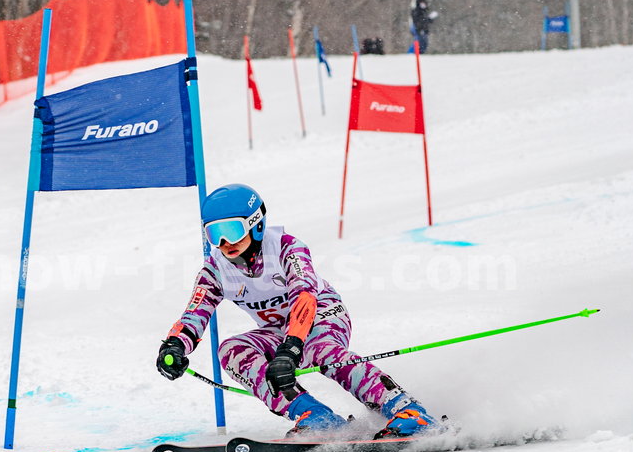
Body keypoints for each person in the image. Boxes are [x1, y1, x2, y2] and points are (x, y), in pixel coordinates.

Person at [155, 183, 438, 438]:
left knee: (320, 350)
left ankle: (409, 411)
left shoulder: (286, 248)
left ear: (255, 223)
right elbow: (197, 310)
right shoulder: (215, 268)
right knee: (231, 349)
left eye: (232, 230)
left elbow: (304, 297)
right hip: (278, 332)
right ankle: (314, 416)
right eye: (214, 234)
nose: (224, 243)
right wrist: (175, 346)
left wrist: (291, 348)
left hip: (322, 316)